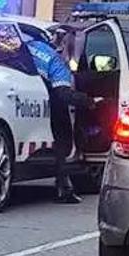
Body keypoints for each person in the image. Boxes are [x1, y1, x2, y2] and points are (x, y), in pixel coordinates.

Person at [26, 30, 85, 205]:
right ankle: (63, 188)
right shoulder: (56, 61)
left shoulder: (26, 46)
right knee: (62, 141)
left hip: (17, 102)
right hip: (48, 106)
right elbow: (63, 94)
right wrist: (89, 101)